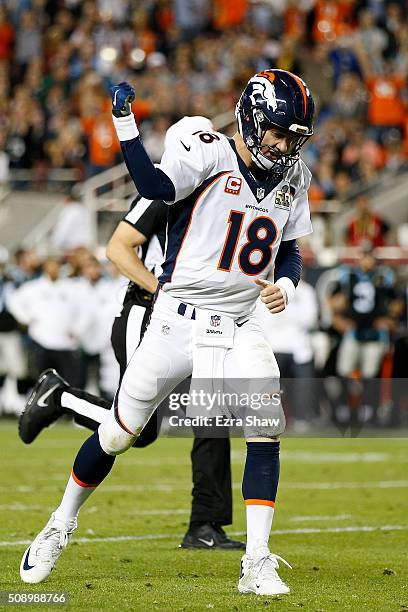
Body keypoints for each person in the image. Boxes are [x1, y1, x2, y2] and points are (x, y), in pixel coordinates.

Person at [20, 69, 315, 597]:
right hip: (177, 317)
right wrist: (126, 125)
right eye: (277, 131)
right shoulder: (206, 149)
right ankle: (60, 522)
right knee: (120, 432)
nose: (284, 144)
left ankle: (256, 561)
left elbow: (289, 247)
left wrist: (287, 288)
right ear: (249, 118)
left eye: (294, 136)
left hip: (241, 320)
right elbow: (155, 187)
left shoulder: (295, 177)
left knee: (265, 429)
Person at [19, 174, 243, 550]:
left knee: (213, 414)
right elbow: (118, 248)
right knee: (140, 430)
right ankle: (61, 397)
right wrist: (165, 294)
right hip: (148, 313)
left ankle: (206, 524)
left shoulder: (224, 194)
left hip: (200, 321)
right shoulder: (166, 188)